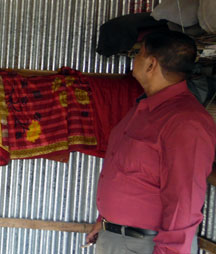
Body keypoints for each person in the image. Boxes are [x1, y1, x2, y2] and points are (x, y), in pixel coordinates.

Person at [85, 30, 216, 253]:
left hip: (146, 245)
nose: (133, 60)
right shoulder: (145, 109)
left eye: (138, 53)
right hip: (118, 238)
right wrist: (106, 220)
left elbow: (184, 201)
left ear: (151, 64)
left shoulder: (185, 121)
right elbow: (129, 175)